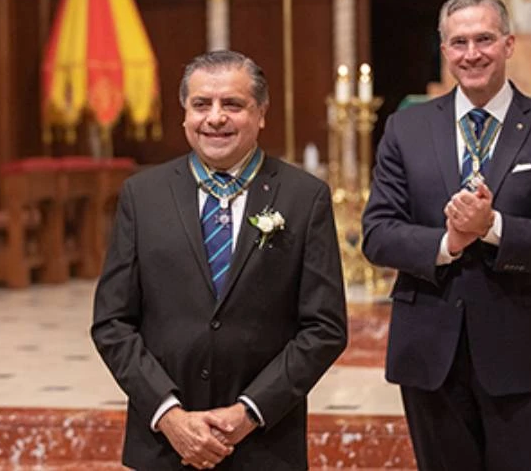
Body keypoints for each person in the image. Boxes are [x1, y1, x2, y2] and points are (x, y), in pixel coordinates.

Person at [361, 0, 531, 471]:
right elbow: (378, 233)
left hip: (522, 353)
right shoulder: (406, 128)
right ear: (444, 50)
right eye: (459, 42)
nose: (472, 54)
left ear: (508, 43)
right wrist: (448, 243)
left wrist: (493, 228)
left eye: (484, 39)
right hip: (430, 353)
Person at [92, 50, 347, 470]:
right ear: (184, 114)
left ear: (261, 113)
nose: (215, 118)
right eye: (201, 105)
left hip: (265, 442)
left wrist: (249, 411)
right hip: (163, 444)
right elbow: (112, 321)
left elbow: (325, 328)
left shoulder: (304, 198)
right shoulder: (142, 195)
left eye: (232, 104)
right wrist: (168, 415)